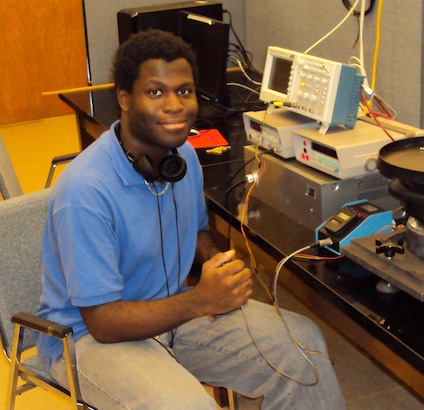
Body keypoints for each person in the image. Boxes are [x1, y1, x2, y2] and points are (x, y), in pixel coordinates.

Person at [37, 29, 346, 409]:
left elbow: (197, 231)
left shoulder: (180, 156)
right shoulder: (85, 192)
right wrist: (200, 301)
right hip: (91, 340)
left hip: (171, 312)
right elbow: (103, 321)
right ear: (124, 99)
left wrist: (222, 265)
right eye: (155, 92)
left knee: (303, 348)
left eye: (184, 91)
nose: (174, 105)